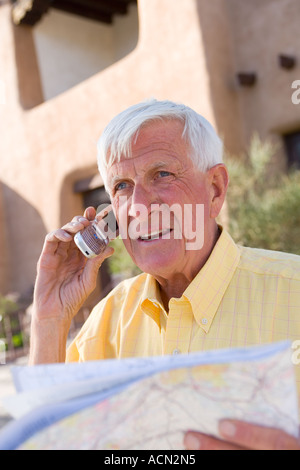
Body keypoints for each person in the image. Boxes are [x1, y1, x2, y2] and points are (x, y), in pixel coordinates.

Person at [29, 99, 300, 450]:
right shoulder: (109, 320)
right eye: (122, 186)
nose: (139, 206)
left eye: (162, 174)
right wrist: (50, 319)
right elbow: (46, 441)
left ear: (215, 188)